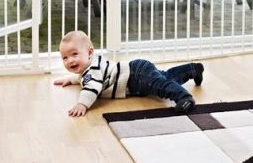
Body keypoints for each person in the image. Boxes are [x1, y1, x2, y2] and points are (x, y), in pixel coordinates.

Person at [54, 30, 204, 117]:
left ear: (89, 52)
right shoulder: (90, 66)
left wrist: (82, 104)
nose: (70, 60)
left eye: (74, 54)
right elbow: (83, 78)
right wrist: (70, 79)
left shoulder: (92, 71)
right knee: (166, 78)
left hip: (135, 76)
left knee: (161, 85)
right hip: (136, 72)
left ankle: (184, 97)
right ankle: (193, 70)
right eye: (65, 58)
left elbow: (91, 87)